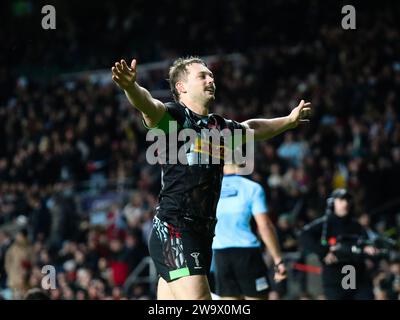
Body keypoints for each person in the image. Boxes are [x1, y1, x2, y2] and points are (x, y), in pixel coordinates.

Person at [111, 56, 311, 300]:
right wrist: (131, 87)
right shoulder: (174, 118)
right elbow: (148, 105)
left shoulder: (218, 126)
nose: (210, 79)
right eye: (202, 76)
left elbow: (253, 128)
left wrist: (288, 122)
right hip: (175, 228)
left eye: (211, 76)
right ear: (181, 87)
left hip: (203, 234)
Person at [212, 164, 286, 300]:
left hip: (220, 255)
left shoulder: (212, 188)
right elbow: (264, 226)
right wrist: (278, 260)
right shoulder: (252, 188)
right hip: (247, 254)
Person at [300, 188, 378, 300]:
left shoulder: (356, 225)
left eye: (347, 200)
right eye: (341, 200)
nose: (345, 204)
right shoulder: (325, 223)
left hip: (357, 276)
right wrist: (324, 252)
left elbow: (366, 244)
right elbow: (304, 235)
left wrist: (368, 253)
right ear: (333, 202)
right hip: (335, 277)